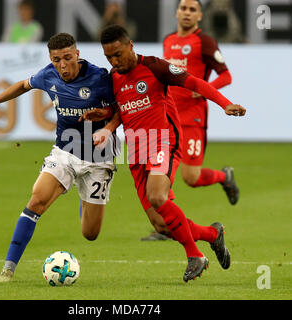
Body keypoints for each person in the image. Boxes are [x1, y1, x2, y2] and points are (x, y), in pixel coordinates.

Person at [81, 24, 246, 282]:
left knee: (157, 195)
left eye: (118, 54)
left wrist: (225, 104)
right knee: (161, 225)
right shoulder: (113, 78)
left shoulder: (155, 67)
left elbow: (196, 83)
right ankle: (213, 235)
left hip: (163, 141)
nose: (115, 61)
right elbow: (121, 111)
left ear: (130, 46)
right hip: (136, 149)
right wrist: (106, 124)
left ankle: (195, 255)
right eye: (109, 57)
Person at [0, 33, 118, 283]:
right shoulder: (48, 74)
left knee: (90, 234)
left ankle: (84, 195)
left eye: (67, 58)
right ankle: (7, 270)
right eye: (56, 59)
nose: (62, 65)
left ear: (77, 55)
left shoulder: (101, 78)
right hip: (65, 151)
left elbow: (120, 109)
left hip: (98, 158)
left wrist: (106, 122)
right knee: (37, 200)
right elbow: (22, 85)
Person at [142, 0, 238, 241]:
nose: (187, 13)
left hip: (193, 116)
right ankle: (166, 226)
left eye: (192, 9)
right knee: (162, 170)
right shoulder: (168, 39)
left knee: (191, 178)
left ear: (200, 16)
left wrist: (204, 89)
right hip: (167, 115)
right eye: (183, 8)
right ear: (176, 12)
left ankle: (224, 176)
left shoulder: (204, 42)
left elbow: (226, 75)